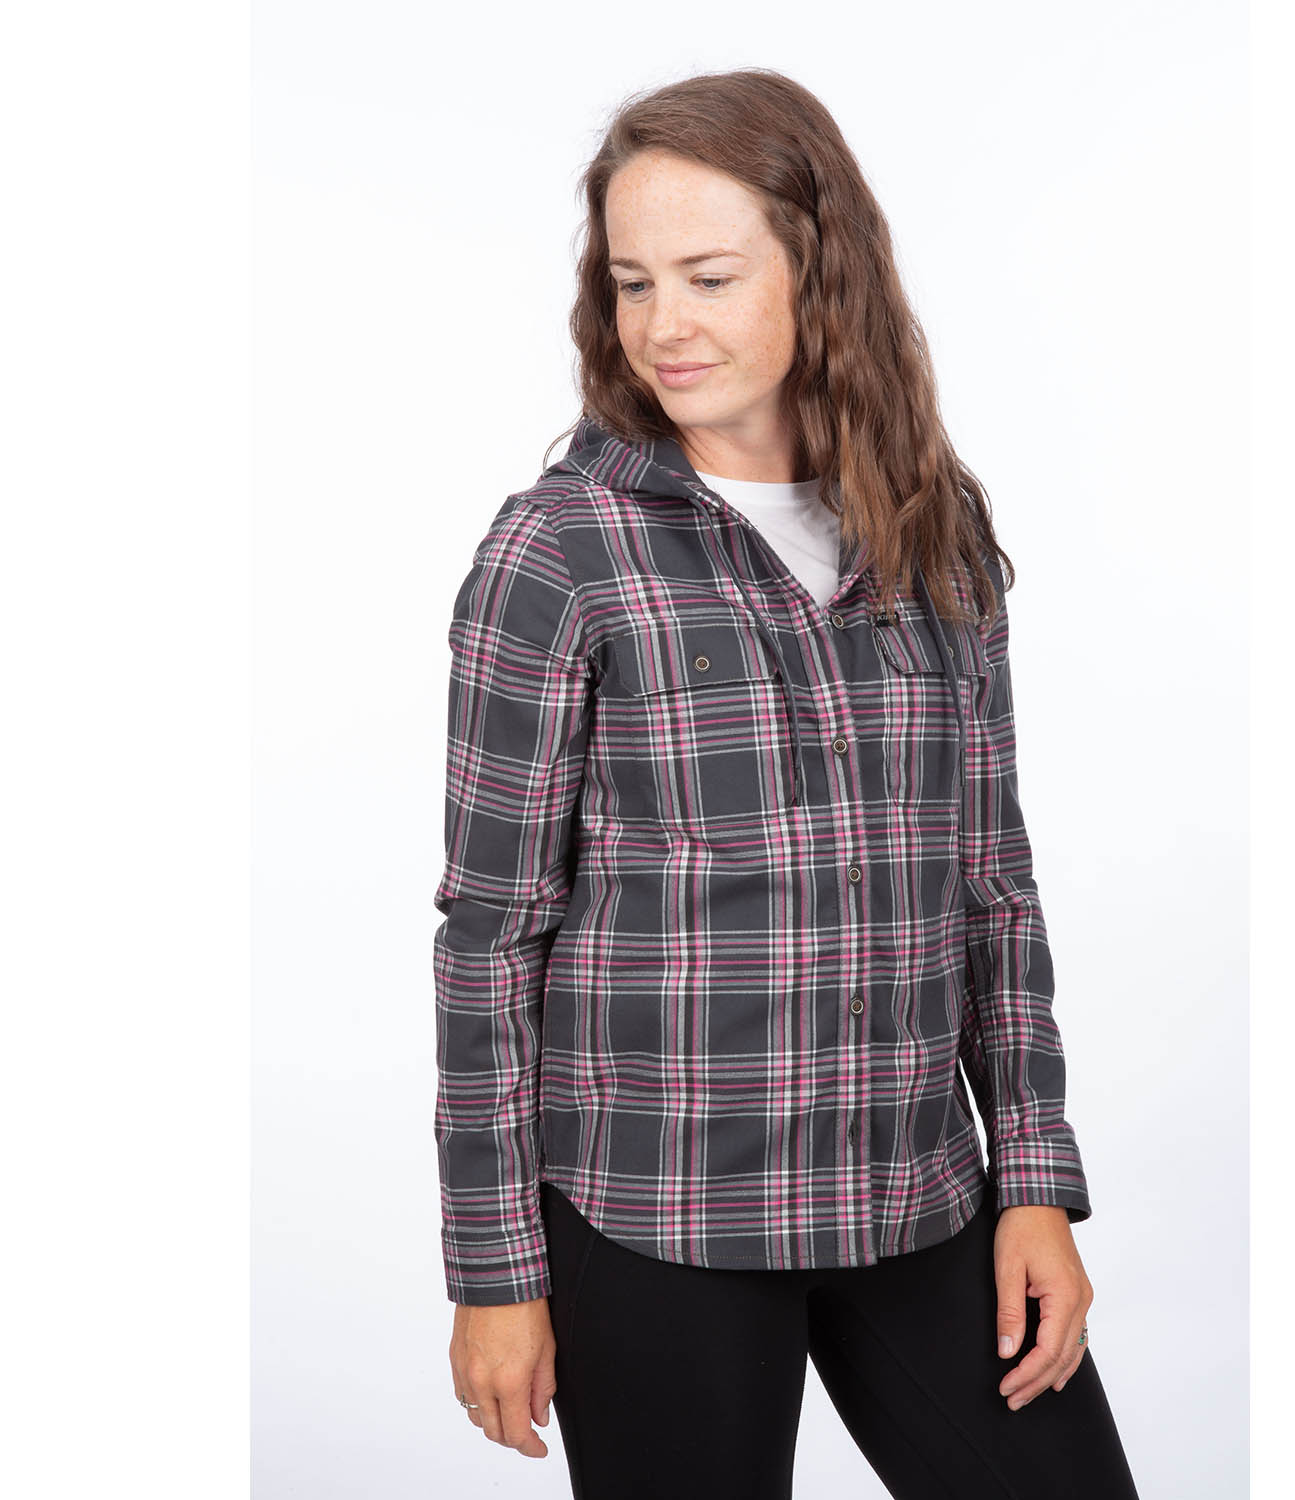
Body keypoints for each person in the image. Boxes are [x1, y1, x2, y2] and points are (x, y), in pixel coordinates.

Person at [432, 68, 1140, 1500]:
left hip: (916, 1191)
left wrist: (1034, 1185)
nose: (663, 326)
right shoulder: (561, 553)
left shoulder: (934, 532)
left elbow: (991, 890)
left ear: (824, 272)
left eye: (708, 276)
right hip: (658, 1212)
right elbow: (492, 935)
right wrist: (494, 1270)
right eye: (633, 283)